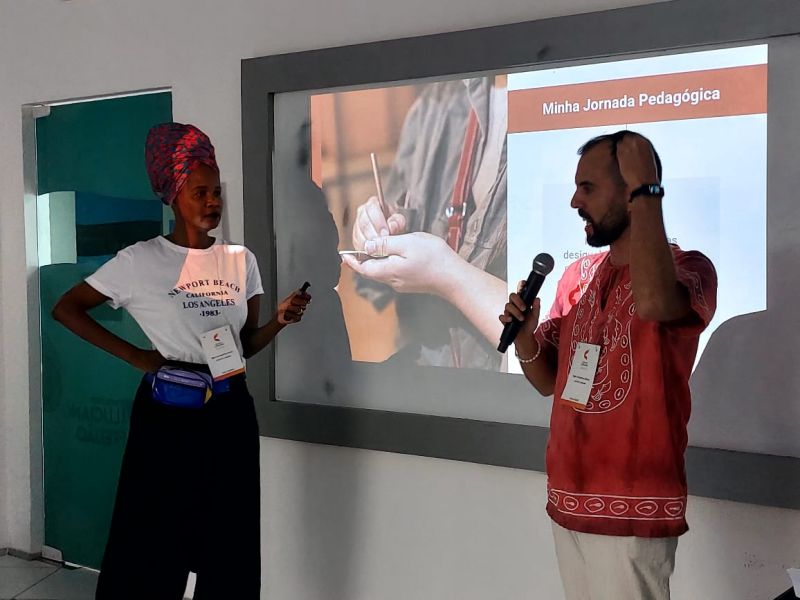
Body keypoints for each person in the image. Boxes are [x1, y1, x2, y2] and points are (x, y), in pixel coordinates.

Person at [52, 122, 310, 600]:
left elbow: (243, 346)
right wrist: (136, 356)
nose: (213, 202)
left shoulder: (241, 260)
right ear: (173, 196)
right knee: (152, 537)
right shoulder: (140, 260)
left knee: (230, 537)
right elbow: (66, 308)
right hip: (168, 411)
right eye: (200, 193)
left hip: (230, 407)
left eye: (217, 192)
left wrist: (279, 321)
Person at [500, 130, 717, 600]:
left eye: (588, 188)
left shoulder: (690, 267)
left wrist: (648, 191)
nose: (574, 201)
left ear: (631, 191)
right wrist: (525, 337)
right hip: (568, 496)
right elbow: (548, 381)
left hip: (633, 508)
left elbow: (656, 303)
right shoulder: (578, 277)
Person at [341, 76, 507, 369]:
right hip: (423, 376)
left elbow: (555, 336)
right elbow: (394, 222)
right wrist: (376, 231)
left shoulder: (563, 100)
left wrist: (446, 275)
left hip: (511, 389)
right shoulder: (435, 104)